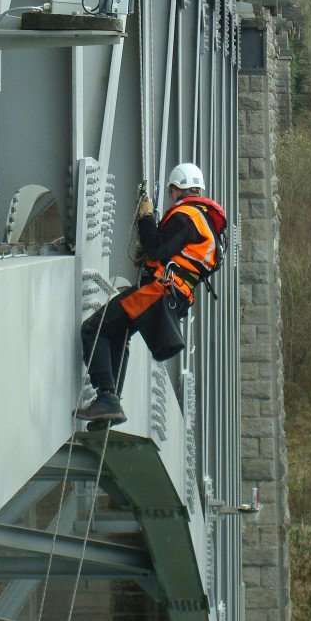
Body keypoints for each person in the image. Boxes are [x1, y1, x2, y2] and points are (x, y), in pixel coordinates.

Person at [76, 163, 227, 425]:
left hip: (158, 292)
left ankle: (107, 398)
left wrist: (146, 218)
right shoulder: (207, 223)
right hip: (174, 296)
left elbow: (156, 248)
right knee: (118, 331)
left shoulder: (187, 215)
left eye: (172, 192)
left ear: (175, 189)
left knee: (95, 328)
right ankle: (110, 401)